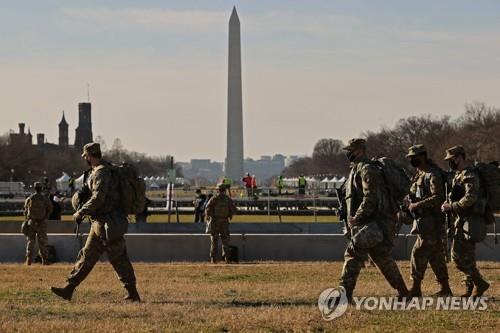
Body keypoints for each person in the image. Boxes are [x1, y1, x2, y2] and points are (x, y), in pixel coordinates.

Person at [51, 142, 140, 302]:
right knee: (88, 256)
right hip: (100, 222)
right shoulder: (101, 170)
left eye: (85, 156)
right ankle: (69, 288)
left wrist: (81, 212)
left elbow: (98, 198)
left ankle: (133, 293)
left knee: (119, 258)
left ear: (90, 155)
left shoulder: (102, 172)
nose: (85, 158)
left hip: (109, 223)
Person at [339, 138, 408, 301]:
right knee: (382, 258)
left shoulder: (367, 169)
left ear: (360, 150)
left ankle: (344, 295)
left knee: (353, 254)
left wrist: (357, 217)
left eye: (351, 150)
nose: (348, 153)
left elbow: (371, 198)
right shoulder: (358, 169)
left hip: (373, 223)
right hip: (375, 223)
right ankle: (404, 292)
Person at [441, 145, 490, 298]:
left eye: (451, 159)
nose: (450, 162)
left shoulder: (469, 175)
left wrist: (452, 207)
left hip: (470, 220)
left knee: (457, 256)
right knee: (467, 256)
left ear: (460, 157)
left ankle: (480, 283)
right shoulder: (459, 175)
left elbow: (471, 197)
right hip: (461, 220)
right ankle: (471, 288)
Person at [405, 144, 451, 297]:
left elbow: (438, 197)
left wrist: (417, 204)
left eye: (414, 157)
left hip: (432, 222)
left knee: (418, 252)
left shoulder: (432, 174)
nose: (412, 160)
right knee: (435, 255)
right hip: (424, 221)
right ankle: (445, 289)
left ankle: (416, 288)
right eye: (410, 157)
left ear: (423, 156)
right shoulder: (419, 174)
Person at [205, 184, 237, 263]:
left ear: (218, 190)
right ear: (225, 190)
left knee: (214, 240)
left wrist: (211, 216)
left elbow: (207, 209)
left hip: (215, 222)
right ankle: (227, 258)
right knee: (225, 240)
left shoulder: (214, 199)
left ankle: (213, 259)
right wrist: (229, 214)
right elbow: (234, 210)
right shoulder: (228, 199)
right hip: (224, 222)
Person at [23, 182, 53, 265]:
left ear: (34, 188)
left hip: (32, 222)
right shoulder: (45, 198)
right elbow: (50, 209)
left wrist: (27, 220)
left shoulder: (30, 198)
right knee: (42, 242)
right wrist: (45, 217)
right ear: (41, 188)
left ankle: (28, 260)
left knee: (31, 241)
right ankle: (45, 260)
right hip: (41, 222)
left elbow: (25, 210)